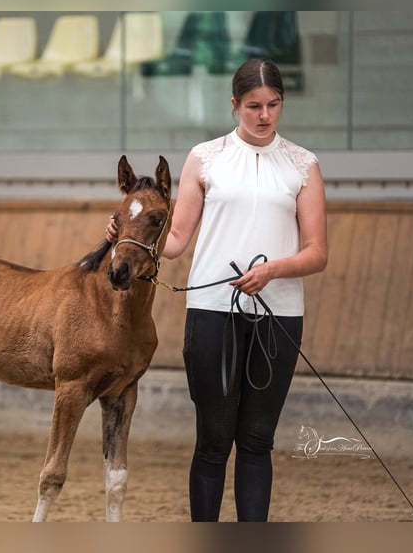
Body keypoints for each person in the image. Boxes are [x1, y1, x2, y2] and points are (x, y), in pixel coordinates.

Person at [106, 58, 327, 521]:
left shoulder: (304, 165)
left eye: (273, 104)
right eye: (253, 106)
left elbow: (317, 252)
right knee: (213, 441)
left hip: (278, 314)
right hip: (211, 313)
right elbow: (177, 239)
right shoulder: (205, 158)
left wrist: (272, 271)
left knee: (257, 441)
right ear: (234, 105)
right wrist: (127, 233)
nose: (264, 115)